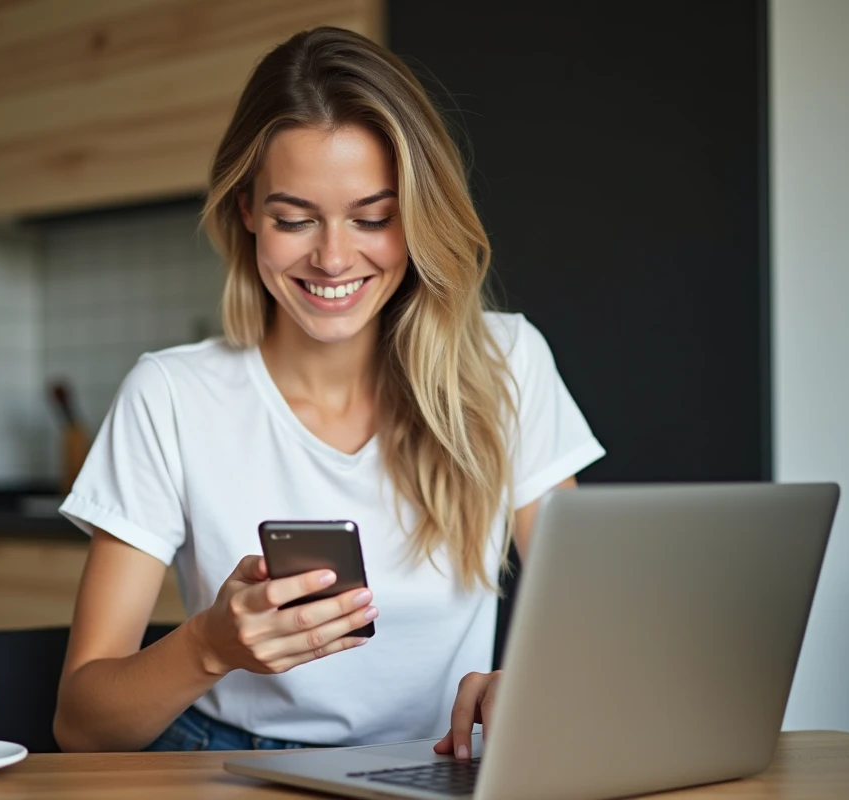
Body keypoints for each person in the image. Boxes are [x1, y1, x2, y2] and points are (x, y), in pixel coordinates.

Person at [54, 26, 604, 759]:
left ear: (417, 214)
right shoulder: (170, 396)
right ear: (247, 209)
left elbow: (594, 630)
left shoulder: (507, 363)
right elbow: (81, 725)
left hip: (442, 761)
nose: (335, 257)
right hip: (228, 762)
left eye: (373, 218)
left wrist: (531, 687)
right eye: (294, 218)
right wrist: (208, 648)